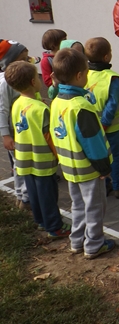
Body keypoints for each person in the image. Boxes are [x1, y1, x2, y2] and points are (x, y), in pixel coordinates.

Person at [50, 48, 115, 259]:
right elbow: (92, 142)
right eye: (87, 72)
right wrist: (104, 168)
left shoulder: (57, 101)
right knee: (95, 207)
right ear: (79, 75)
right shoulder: (81, 107)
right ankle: (94, 244)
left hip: (69, 167)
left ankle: (77, 241)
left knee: (77, 205)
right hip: (89, 169)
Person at [4, 61, 71, 239]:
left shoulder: (17, 104)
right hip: (42, 161)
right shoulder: (41, 109)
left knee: (34, 193)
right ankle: (55, 227)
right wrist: (60, 157)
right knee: (48, 195)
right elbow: (49, 137)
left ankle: (41, 221)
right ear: (34, 82)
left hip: (24, 159)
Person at [84, 37, 119, 199]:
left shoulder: (84, 75)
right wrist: (105, 123)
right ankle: (118, 186)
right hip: (112, 127)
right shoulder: (112, 78)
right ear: (107, 57)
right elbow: (113, 103)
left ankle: (105, 184)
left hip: (92, 127)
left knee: (100, 156)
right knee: (115, 157)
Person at [0, 39, 33, 209]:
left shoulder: (17, 79)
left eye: (27, 58)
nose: (27, 62)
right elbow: (2, 110)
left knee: (21, 164)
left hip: (22, 127)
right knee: (22, 164)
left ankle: (22, 196)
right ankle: (25, 198)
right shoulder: (4, 83)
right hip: (15, 130)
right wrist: (5, 135)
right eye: (22, 59)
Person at [40, 28, 67, 93]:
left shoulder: (66, 54)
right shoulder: (46, 61)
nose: (66, 42)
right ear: (54, 45)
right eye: (64, 40)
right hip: (59, 91)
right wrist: (57, 83)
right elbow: (47, 81)